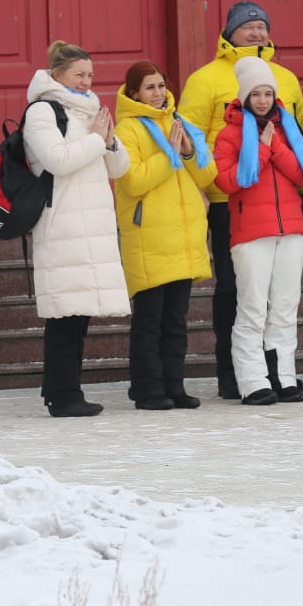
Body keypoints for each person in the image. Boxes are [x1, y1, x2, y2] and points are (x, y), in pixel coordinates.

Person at [178, 1, 303, 400]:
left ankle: (279, 375)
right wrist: (202, 189)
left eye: (262, 25)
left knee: (281, 299)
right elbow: (192, 139)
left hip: (284, 208)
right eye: (248, 27)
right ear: (230, 32)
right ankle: (234, 373)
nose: (256, 33)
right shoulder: (205, 80)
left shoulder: (286, 79)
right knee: (236, 293)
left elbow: (302, 137)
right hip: (230, 200)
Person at [23, 40, 131, 418]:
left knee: (79, 313)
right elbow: (58, 160)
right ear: (57, 74)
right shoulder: (42, 111)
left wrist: (110, 141)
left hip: (93, 221)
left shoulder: (89, 112)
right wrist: (95, 140)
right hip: (63, 221)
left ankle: (63, 390)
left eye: (90, 75)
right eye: (79, 75)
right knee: (64, 314)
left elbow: (119, 169)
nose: (87, 81)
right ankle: (63, 394)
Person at [212, 56, 303, 405]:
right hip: (250, 234)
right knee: (253, 308)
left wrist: (275, 146)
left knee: (286, 307)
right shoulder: (229, 134)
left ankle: (283, 376)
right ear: (244, 97)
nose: (262, 100)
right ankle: (253, 380)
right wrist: (261, 148)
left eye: (268, 93)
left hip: (290, 228)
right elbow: (229, 181)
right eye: (256, 94)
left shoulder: (287, 129)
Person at [113, 60, 218, 411]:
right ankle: (147, 388)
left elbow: (208, 175)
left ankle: (174, 385)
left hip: (183, 237)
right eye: (150, 88)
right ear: (134, 93)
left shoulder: (179, 121)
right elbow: (134, 180)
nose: (158, 93)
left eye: (160, 85)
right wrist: (169, 153)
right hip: (149, 236)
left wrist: (187, 151)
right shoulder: (127, 129)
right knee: (150, 320)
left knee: (176, 320)